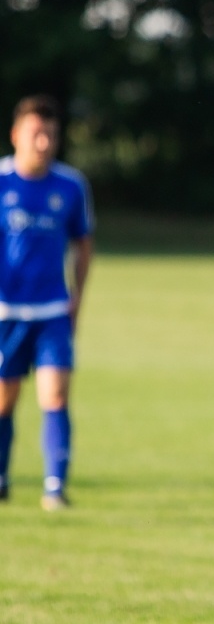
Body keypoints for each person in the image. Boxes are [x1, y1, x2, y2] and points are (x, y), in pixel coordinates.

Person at [0, 95, 94, 511]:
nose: (44, 142)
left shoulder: (71, 185)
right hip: (5, 312)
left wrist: (77, 298)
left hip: (52, 310)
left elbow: (83, 242)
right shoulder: (1, 182)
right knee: (4, 400)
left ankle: (55, 488)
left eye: (51, 135)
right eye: (37, 133)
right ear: (16, 134)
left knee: (55, 396)